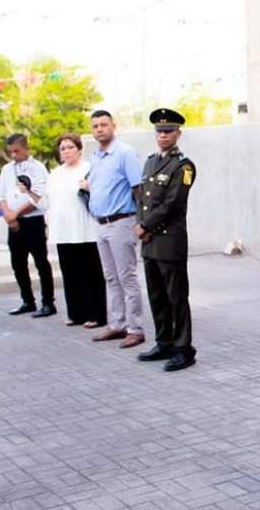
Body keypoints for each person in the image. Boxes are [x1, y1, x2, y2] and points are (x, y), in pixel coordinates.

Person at [135, 109, 198, 372]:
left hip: (169, 241)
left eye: (168, 131)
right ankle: (164, 341)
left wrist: (146, 226)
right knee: (156, 295)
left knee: (176, 297)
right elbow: (142, 198)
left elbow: (173, 204)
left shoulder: (183, 166)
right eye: (159, 131)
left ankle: (183, 348)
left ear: (178, 134)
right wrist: (141, 224)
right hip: (149, 241)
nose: (163, 135)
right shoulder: (150, 162)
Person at [22, 135, 107, 328]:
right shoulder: (55, 174)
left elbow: (102, 193)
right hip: (63, 231)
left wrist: (90, 187)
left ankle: (96, 314)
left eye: (70, 147)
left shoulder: (89, 169)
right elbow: (45, 203)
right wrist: (29, 191)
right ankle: (76, 313)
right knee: (70, 274)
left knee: (91, 274)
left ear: (79, 149)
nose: (66, 151)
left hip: (86, 229)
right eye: (62, 148)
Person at [79, 110, 146, 348]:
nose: (99, 129)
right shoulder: (96, 156)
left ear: (113, 126)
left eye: (103, 125)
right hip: (101, 224)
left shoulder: (125, 153)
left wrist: (142, 222)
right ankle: (117, 324)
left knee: (127, 277)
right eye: (95, 125)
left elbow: (139, 189)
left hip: (122, 222)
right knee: (110, 277)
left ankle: (135, 329)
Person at [0, 133, 56, 318]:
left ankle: (48, 303)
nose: (14, 155)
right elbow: (1, 194)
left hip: (33, 220)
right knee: (17, 263)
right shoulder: (6, 169)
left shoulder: (38, 168)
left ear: (25, 148)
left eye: (17, 151)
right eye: (11, 152)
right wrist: (8, 214)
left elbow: (39, 195)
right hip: (13, 222)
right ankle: (27, 301)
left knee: (40, 262)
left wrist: (16, 213)